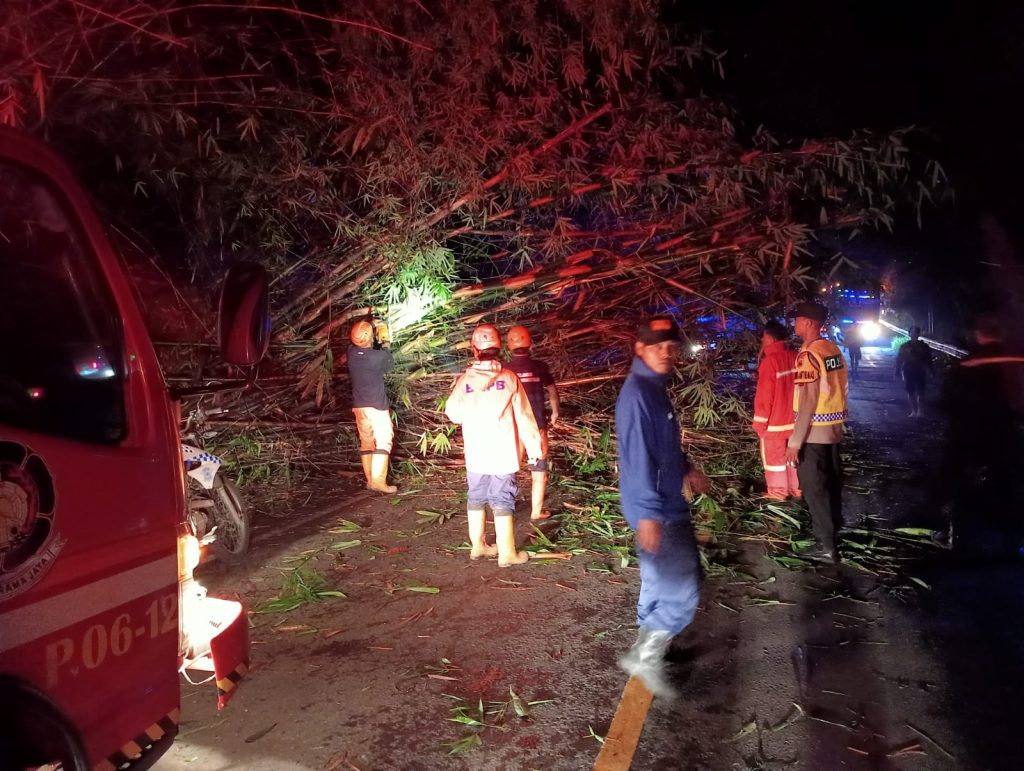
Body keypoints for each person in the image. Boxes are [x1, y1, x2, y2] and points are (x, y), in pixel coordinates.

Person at [615, 316, 710, 698]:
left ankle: (653, 645)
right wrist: (649, 515)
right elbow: (638, 457)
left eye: (671, 347)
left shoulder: (652, 387)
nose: (666, 353)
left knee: (656, 580)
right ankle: (646, 655)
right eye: (657, 347)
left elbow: (662, 444)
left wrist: (686, 467)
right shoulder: (638, 395)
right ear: (640, 348)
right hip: (659, 509)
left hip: (659, 503)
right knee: (683, 586)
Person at [444, 324, 546, 567]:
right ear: (500, 349)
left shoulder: (465, 380)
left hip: (476, 453)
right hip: (503, 453)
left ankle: (478, 546)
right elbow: (525, 417)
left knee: (476, 496)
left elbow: (453, 414)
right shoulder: (509, 378)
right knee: (502, 499)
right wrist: (535, 450)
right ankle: (507, 553)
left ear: (474, 349)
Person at [935, 313, 1024, 551]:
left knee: (955, 479)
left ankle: (954, 534)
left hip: (970, 436)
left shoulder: (967, 364)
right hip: (1010, 435)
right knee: (1010, 483)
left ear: (977, 334)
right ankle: (1014, 538)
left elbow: (948, 402)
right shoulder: (1017, 362)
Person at [785, 302, 849, 563]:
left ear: (809, 323)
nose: (795, 324)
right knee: (831, 484)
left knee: (815, 489)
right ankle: (834, 531)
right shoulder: (832, 349)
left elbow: (808, 401)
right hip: (833, 431)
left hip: (813, 434)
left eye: (798, 319)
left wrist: (795, 441)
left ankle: (826, 546)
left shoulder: (809, 355)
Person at [504, 325, 560, 521]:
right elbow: (552, 391)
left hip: (513, 426)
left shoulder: (504, 368)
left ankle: (505, 508)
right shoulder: (540, 367)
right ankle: (536, 511)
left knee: (509, 467)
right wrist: (555, 412)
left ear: (509, 346)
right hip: (537, 425)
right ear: (530, 344)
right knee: (539, 468)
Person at [751, 320, 801, 499]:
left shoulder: (770, 362)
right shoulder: (797, 357)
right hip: (796, 423)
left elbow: (765, 397)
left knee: (774, 460)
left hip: (774, 424)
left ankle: (778, 492)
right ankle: (796, 489)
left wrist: (759, 424)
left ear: (770, 339)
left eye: (763, 337)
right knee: (793, 458)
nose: (762, 341)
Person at [348, 315, 397, 493]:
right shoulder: (378, 357)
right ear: (371, 337)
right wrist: (385, 342)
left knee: (367, 442)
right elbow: (390, 366)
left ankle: (370, 480)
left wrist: (371, 325)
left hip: (359, 407)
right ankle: (378, 482)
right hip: (377, 406)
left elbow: (362, 343)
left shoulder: (351, 352)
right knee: (384, 441)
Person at [896, 326, 933, 417]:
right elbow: (899, 359)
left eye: (916, 333)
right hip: (908, 371)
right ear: (909, 334)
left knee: (921, 391)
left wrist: (931, 370)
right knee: (910, 391)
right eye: (912, 333)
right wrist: (897, 370)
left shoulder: (924, 346)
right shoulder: (904, 346)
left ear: (918, 334)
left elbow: (929, 359)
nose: (914, 334)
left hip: (920, 371)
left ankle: (920, 410)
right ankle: (913, 410)